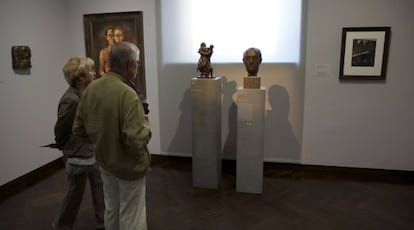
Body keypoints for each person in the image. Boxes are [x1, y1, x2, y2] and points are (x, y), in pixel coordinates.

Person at [73, 41, 152, 230]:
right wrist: (146, 126)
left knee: (111, 209)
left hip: (105, 163)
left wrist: (101, 142)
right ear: (130, 65)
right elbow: (136, 139)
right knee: (132, 215)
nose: (137, 67)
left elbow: (78, 129)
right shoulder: (128, 94)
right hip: (129, 167)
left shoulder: (91, 89)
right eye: (137, 63)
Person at [52, 57, 105, 230]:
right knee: (75, 191)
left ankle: (103, 222)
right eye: (91, 70)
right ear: (81, 77)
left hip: (91, 150)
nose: (94, 73)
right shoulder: (71, 99)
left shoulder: (83, 94)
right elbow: (60, 130)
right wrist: (66, 150)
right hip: (77, 153)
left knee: (99, 186)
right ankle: (61, 225)